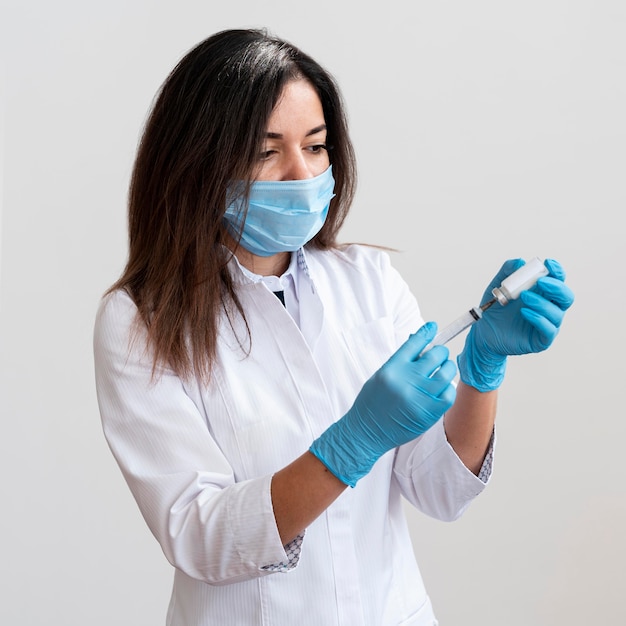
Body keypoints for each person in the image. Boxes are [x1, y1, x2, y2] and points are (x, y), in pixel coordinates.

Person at [93, 28, 574, 626]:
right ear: (195, 162)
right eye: (266, 151)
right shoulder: (142, 321)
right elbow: (198, 535)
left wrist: (482, 368)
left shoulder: (369, 281)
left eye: (315, 147)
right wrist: (353, 442)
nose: (300, 173)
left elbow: (440, 491)